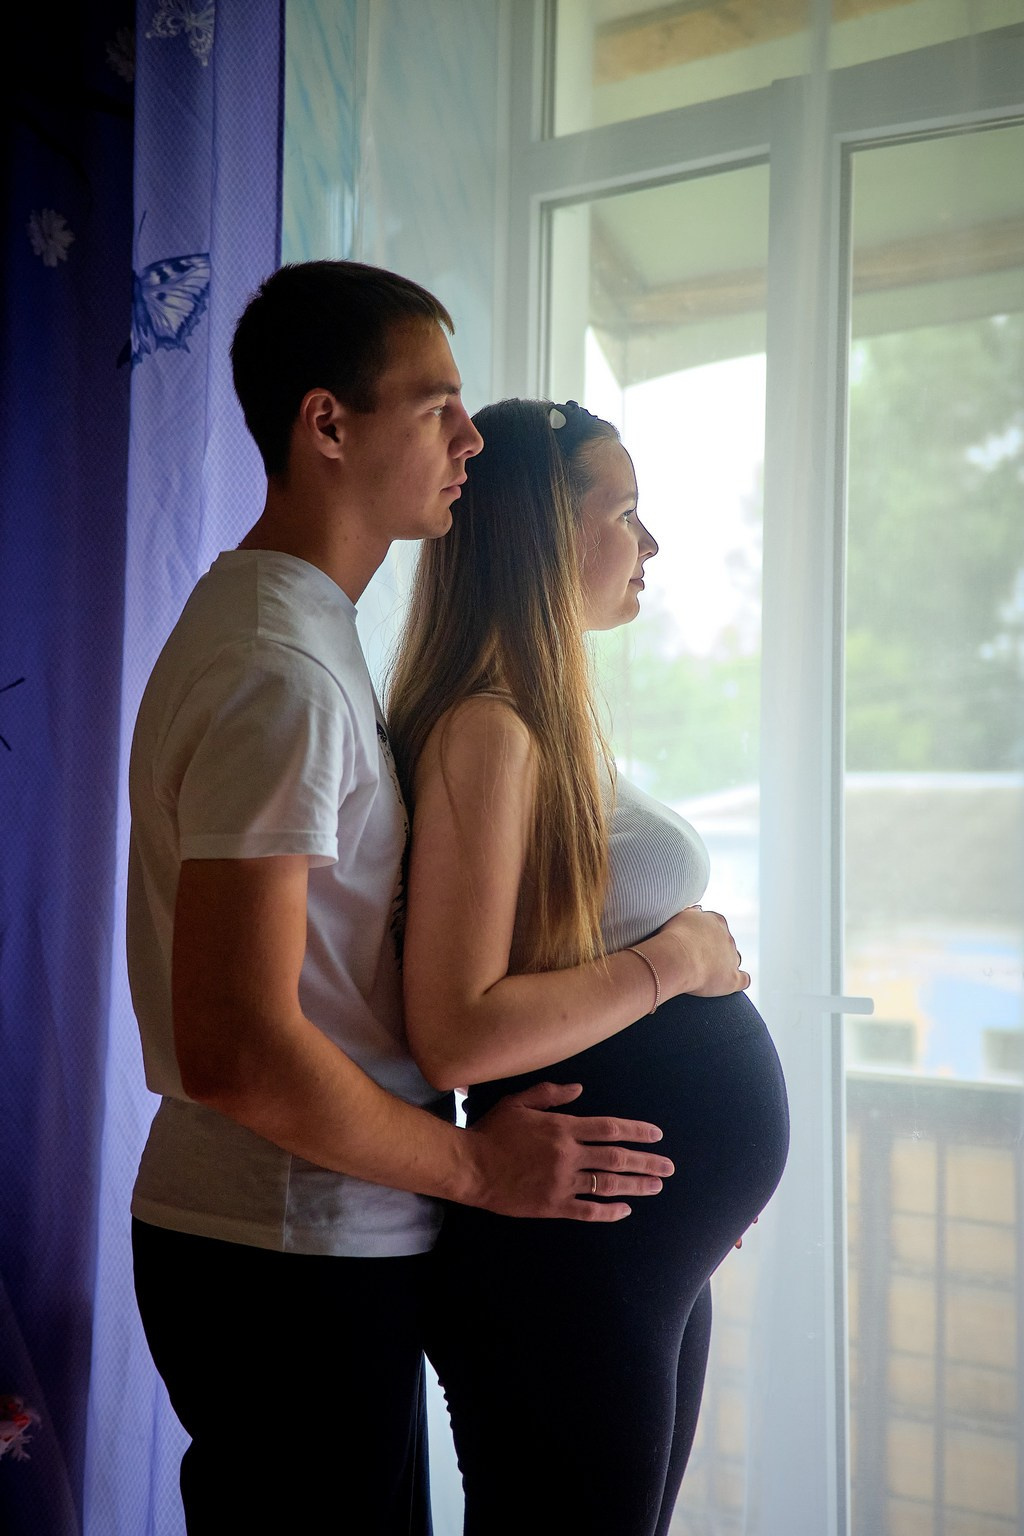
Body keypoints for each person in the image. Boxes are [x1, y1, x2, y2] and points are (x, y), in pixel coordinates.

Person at [126, 265, 682, 1536]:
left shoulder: (292, 634)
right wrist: (479, 1171)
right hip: (286, 1250)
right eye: (439, 407)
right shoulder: (280, 671)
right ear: (327, 425)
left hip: (306, 1241)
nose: (472, 442)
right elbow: (238, 1046)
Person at [387, 397, 790, 1536]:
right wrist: (676, 961)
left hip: (627, 1237)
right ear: (540, 535)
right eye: (626, 512)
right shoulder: (487, 728)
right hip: (566, 1259)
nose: (649, 544)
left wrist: (696, 1192)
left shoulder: (537, 723)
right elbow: (457, 1032)